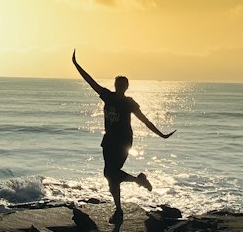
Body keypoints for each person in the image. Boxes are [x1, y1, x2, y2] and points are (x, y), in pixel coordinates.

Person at [72, 50, 175, 220]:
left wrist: (161, 134)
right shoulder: (108, 97)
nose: (119, 87)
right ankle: (119, 209)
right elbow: (90, 81)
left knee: (111, 173)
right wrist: (76, 65)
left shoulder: (129, 103)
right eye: (117, 84)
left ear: (126, 87)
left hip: (123, 142)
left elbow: (145, 120)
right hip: (108, 141)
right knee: (110, 176)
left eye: (122, 85)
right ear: (115, 85)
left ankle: (135, 185)